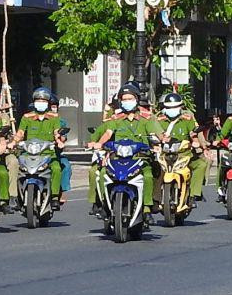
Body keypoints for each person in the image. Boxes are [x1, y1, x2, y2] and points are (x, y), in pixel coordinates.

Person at [89, 83, 161, 213]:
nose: (127, 102)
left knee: (148, 176)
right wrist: (99, 143)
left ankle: (146, 207)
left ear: (137, 100)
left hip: (140, 158)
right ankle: (105, 204)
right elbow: (108, 133)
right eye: (124, 99)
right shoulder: (116, 119)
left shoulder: (146, 119)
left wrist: (160, 143)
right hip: (118, 158)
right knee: (104, 174)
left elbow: (156, 134)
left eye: (130, 99)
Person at [16, 86, 67, 213]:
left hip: (48, 154)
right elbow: (20, 133)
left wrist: (59, 141)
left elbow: (56, 132)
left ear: (48, 103)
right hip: (29, 154)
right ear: (34, 102)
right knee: (16, 169)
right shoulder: (27, 117)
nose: (41, 103)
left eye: (44, 101)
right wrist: (12, 142)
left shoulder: (54, 117)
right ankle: (17, 197)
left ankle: (55, 196)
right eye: (38, 100)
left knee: (56, 168)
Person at [155, 91, 207, 207]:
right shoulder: (159, 120)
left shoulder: (187, 120)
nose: (171, 109)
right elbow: (153, 134)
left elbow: (193, 134)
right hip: (164, 155)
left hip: (184, 154)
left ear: (180, 107)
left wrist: (195, 143)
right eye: (168, 107)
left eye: (174, 107)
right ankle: (154, 200)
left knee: (201, 165)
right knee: (154, 170)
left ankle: (194, 195)